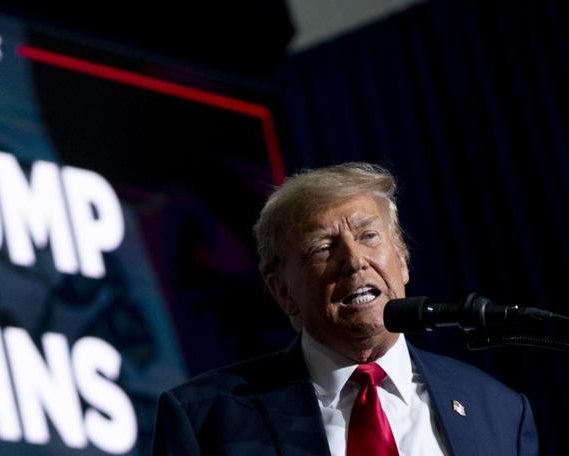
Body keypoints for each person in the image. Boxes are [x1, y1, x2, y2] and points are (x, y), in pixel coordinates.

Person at [152, 162, 538, 455]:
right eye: (323, 248)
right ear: (281, 290)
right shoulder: (204, 418)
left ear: (402, 259)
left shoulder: (499, 410)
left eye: (369, 236)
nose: (354, 261)